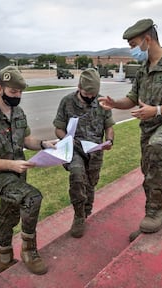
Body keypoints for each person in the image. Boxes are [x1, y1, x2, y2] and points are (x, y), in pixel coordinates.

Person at [98, 19, 162, 241]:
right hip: (149, 127)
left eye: (134, 45)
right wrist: (115, 103)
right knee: (150, 170)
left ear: (147, 39)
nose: (132, 50)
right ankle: (152, 207)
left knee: (157, 146)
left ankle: (155, 211)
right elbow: (133, 99)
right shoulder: (143, 70)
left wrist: (158, 110)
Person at [0, 66, 57, 275]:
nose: (17, 96)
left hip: (17, 172)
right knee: (32, 198)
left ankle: (5, 259)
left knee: (8, 214)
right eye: (12, 92)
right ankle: (29, 251)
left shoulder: (18, 111)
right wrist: (10, 165)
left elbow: (26, 139)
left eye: (20, 92)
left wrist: (45, 144)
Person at [53, 68, 115, 238]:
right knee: (77, 176)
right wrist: (66, 139)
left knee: (90, 183)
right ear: (79, 86)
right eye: (87, 93)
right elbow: (58, 129)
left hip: (94, 151)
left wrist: (109, 141)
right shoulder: (67, 102)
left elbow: (109, 126)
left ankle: (86, 210)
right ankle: (79, 216)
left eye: (93, 93)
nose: (90, 97)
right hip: (74, 149)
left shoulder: (102, 102)